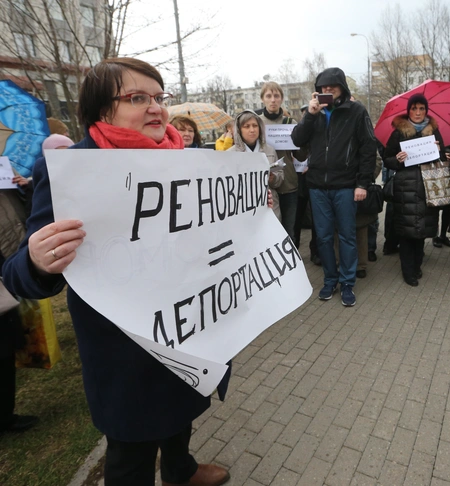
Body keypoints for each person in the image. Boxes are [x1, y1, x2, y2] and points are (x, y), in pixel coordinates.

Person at [2, 58, 230, 486]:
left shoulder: (188, 162)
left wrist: (247, 216)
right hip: (123, 345)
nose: (156, 108)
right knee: (132, 445)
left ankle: (181, 469)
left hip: (186, 322)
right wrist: (36, 260)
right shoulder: (72, 170)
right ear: (100, 110)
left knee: (184, 407)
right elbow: (18, 273)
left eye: (159, 98)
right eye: (138, 98)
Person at [290, 67, 376, 307]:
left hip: (346, 186)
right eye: (322, 88)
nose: (327, 91)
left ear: (342, 88)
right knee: (324, 237)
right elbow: (297, 140)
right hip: (317, 187)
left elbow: (369, 149)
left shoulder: (356, 111)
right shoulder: (313, 112)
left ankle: (348, 283)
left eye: (332, 87)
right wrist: (310, 114)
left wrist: (362, 183)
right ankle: (330, 280)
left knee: (347, 236)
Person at [382, 94, 443, 286]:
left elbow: (442, 158)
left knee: (421, 230)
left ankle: (417, 266)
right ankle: (408, 271)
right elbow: (387, 158)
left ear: (426, 110)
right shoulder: (398, 132)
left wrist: (439, 150)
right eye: (414, 108)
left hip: (427, 187)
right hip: (405, 187)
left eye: (422, 108)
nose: (418, 112)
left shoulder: (434, 131)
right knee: (406, 230)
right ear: (408, 110)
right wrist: (397, 160)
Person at [0, 185, 37, 434]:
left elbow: (26, 213)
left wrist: (26, 187)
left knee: (5, 349)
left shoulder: (6, 187)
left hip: (7, 263)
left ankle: (5, 416)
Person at [255, 82, 307, 239]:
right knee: (268, 229)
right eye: (268, 96)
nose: (273, 100)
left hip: (289, 184)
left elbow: (301, 156)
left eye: (276, 96)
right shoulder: (256, 123)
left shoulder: (290, 123)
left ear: (282, 99)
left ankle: (290, 261)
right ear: (262, 99)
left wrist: (301, 140)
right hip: (264, 184)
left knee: (289, 230)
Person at [228, 110, 284, 221]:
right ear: (239, 130)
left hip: (270, 206)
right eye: (246, 126)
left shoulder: (270, 150)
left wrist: (273, 178)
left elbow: (280, 179)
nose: (252, 130)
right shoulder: (230, 153)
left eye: (255, 125)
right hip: (243, 209)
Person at [292, 104, 320, 265]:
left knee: (317, 219)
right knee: (296, 218)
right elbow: (298, 155)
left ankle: (315, 251)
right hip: (298, 181)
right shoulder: (298, 134)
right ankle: (293, 249)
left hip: (314, 180)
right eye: (304, 116)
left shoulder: (319, 132)